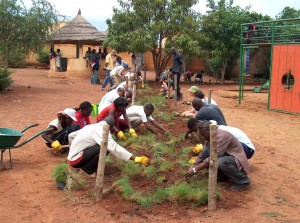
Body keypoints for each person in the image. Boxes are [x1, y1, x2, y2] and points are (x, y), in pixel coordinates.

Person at [67, 116, 149, 175]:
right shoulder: (101, 130)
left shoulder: (91, 126)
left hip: (72, 158)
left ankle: (87, 166)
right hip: (76, 160)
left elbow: (71, 135)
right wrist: (135, 158)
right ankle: (88, 170)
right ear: (110, 126)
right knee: (104, 146)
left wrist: (72, 150)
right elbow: (114, 148)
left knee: (102, 145)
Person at [185, 120, 250, 192]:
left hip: (237, 160)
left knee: (219, 162)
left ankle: (242, 181)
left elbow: (213, 157)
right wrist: (191, 168)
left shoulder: (222, 136)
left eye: (204, 135)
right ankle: (223, 176)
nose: (203, 137)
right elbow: (203, 154)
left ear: (210, 131)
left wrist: (195, 169)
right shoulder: (210, 136)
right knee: (207, 155)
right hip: (227, 157)